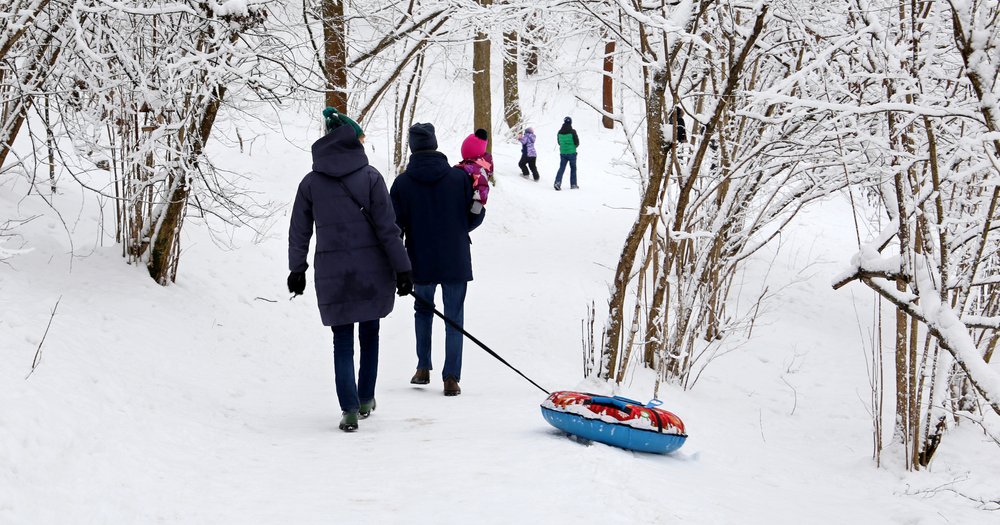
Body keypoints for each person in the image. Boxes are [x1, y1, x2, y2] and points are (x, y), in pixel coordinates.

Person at [288, 107, 413, 432]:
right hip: (372, 271)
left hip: (333, 272)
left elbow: (299, 231)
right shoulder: (371, 177)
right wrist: (403, 269)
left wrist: (297, 269)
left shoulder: (311, 183)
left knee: (342, 340)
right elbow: (388, 228)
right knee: (370, 334)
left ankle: (349, 410)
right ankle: (366, 397)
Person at [390, 123, 486, 396]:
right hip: (455, 257)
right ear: (435, 143)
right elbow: (474, 215)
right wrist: (458, 229)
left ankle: (423, 367)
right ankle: (451, 378)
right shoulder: (458, 179)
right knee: (454, 317)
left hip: (419, 259)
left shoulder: (402, 184)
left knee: (423, 310)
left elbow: (394, 226)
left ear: (412, 147)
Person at [455, 128, 493, 214]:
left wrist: (474, 212)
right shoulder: (475, 165)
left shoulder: (477, 169)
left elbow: (482, 189)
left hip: (470, 211)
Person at [554, 116, 580, 190]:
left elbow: (559, 142)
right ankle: (573, 184)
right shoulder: (573, 131)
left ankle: (557, 183)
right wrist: (574, 146)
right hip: (572, 153)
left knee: (561, 168)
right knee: (573, 168)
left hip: (563, 153)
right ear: (571, 122)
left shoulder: (559, 132)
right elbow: (577, 142)